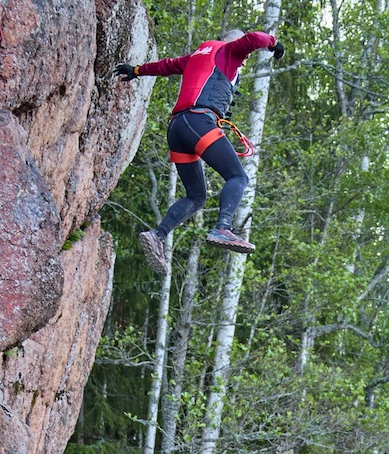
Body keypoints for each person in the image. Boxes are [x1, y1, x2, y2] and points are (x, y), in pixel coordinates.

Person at [115, 30, 285, 273]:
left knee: (196, 196)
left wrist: (136, 70)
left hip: (177, 129)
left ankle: (157, 235)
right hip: (199, 121)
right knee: (238, 177)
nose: (245, 60)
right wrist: (274, 43)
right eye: (245, 56)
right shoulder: (229, 51)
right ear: (232, 41)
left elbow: (166, 66)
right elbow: (255, 39)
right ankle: (223, 228)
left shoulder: (196, 56)